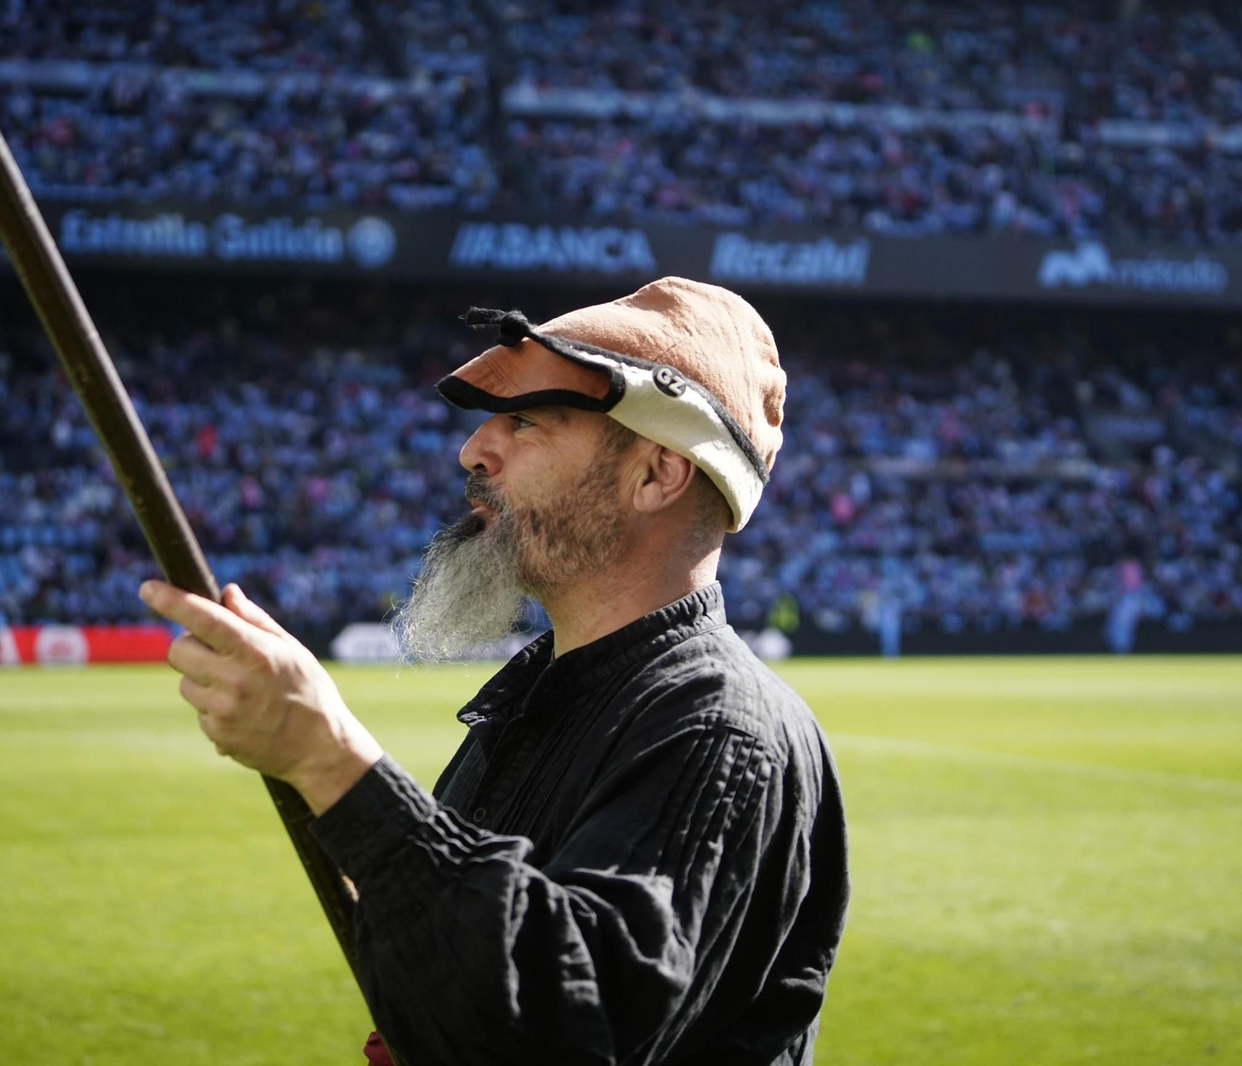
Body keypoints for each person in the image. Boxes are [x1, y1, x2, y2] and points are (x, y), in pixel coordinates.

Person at [138, 277, 851, 1065]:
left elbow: (559, 1032)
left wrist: (326, 755)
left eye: (523, 421)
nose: (473, 450)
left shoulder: (718, 730)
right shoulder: (547, 695)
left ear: (656, 474)